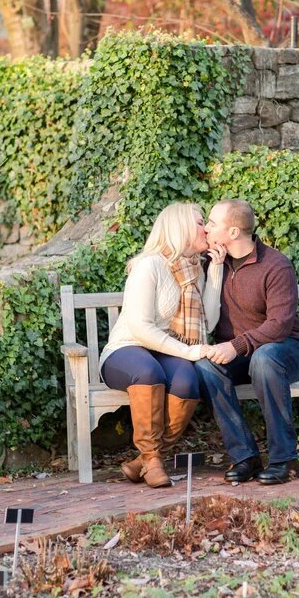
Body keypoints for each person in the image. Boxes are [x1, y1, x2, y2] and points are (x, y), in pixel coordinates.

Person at [99, 203, 226, 488]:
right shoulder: (149, 265)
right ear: (179, 227)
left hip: (164, 350)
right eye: (199, 222)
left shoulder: (196, 269)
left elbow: (209, 322)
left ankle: (146, 459)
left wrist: (216, 270)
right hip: (127, 349)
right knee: (148, 373)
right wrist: (190, 351)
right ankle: (153, 462)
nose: (205, 228)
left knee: (186, 381)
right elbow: (141, 328)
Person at [196, 199, 299, 485]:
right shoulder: (212, 263)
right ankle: (245, 456)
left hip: (284, 350)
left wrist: (234, 346)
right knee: (205, 366)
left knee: (265, 357)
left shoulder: (275, 265)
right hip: (240, 353)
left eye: (212, 223)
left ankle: (285, 460)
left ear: (233, 232)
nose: (207, 228)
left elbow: (279, 325)